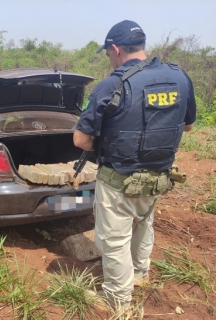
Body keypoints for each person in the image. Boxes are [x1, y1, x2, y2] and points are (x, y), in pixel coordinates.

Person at [73, 20, 196, 310]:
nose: (109, 59)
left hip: (119, 180)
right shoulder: (180, 77)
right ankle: (139, 274)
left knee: (114, 240)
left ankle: (116, 298)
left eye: (108, 54)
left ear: (115, 49)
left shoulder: (112, 84)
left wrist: (104, 144)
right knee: (144, 225)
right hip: (159, 177)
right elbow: (188, 126)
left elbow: (80, 139)